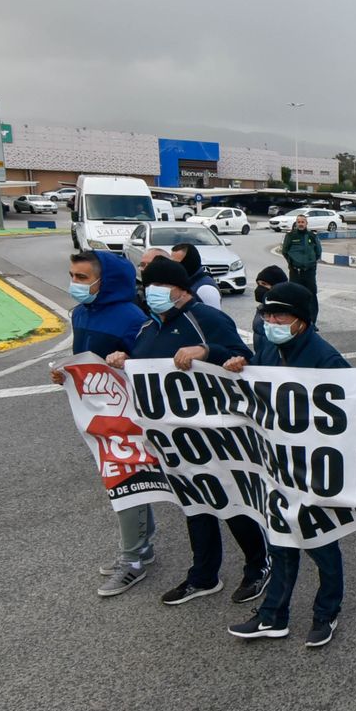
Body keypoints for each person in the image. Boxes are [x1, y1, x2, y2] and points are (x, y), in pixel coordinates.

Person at [105, 256, 270, 606]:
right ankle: (203, 575)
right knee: (196, 506)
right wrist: (122, 361)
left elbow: (245, 359)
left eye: (160, 287)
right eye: (147, 287)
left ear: (181, 290)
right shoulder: (148, 330)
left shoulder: (206, 319)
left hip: (218, 434)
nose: (152, 294)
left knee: (233, 503)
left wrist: (207, 350)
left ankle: (258, 566)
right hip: (175, 441)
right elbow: (141, 375)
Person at [224, 281, 348, 647]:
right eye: (267, 313)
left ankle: (327, 613)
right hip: (277, 470)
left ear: (302, 322)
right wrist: (240, 368)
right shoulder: (267, 351)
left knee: (321, 544)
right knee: (281, 543)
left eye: (281, 315)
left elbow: (354, 416)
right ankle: (272, 616)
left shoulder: (326, 360)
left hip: (314, 471)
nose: (271, 320)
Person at [56, 250, 158, 597]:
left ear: (108, 280)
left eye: (82, 278)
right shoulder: (80, 313)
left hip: (127, 417)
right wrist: (65, 375)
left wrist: (127, 360)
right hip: (96, 415)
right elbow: (82, 358)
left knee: (125, 481)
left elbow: (148, 365)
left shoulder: (132, 318)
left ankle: (132, 560)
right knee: (124, 481)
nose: (74, 283)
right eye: (72, 275)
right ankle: (141, 546)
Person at [249, 265, 290, 366]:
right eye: (258, 284)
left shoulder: (287, 317)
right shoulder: (261, 310)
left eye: (264, 284)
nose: (259, 288)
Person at [170, 244, 221, 308]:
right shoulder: (186, 281)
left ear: (189, 263)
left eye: (176, 264)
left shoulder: (206, 289)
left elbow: (213, 316)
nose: (172, 267)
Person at [283, 214, 322, 294]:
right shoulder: (290, 236)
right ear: (296, 223)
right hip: (295, 272)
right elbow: (285, 251)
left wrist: (311, 261)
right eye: (298, 222)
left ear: (306, 223)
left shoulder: (312, 236)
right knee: (294, 295)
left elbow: (318, 252)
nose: (300, 224)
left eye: (302, 222)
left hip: (309, 272)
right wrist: (292, 262)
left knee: (311, 295)